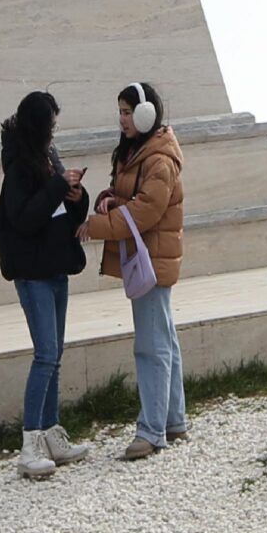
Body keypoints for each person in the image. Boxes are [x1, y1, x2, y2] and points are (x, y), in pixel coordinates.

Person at [79, 82, 187, 459]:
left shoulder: (158, 159)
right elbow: (132, 199)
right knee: (164, 340)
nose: (122, 119)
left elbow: (145, 212)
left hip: (153, 260)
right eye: (120, 112)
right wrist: (111, 198)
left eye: (128, 112)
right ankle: (172, 421)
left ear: (145, 113)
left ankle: (151, 431)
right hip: (150, 258)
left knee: (151, 346)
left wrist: (94, 226)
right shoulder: (141, 152)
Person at [0, 91, 93, 480]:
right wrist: (55, 188)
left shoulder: (49, 158)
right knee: (45, 354)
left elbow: (63, 211)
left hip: (56, 266)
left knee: (56, 353)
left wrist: (77, 195)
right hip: (32, 273)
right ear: (38, 124)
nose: (54, 132)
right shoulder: (19, 165)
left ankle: (51, 433)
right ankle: (30, 441)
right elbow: (24, 217)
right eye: (50, 123)